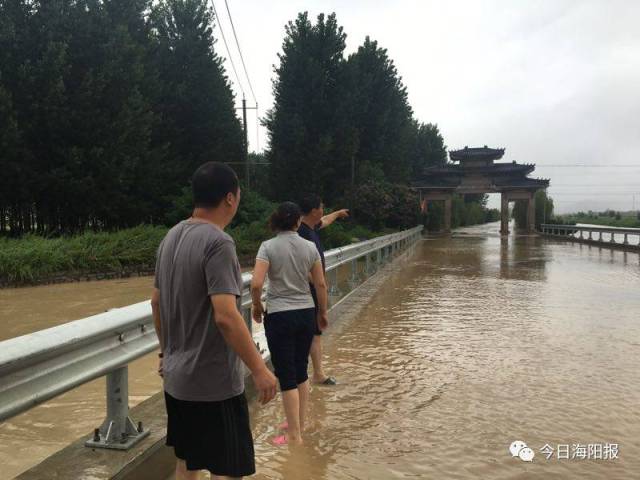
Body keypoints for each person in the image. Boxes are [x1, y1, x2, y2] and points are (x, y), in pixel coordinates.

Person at [151, 162, 277, 480]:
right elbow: (226, 316)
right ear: (230, 199)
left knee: (187, 464)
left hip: (176, 380)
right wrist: (260, 370)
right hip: (213, 385)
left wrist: (166, 352)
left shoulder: (170, 237)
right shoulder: (219, 243)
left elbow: (156, 302)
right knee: (229, 469)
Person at [250, 202, 329, 445]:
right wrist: (322, 312)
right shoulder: (309, 246)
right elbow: (320, 284)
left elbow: (255, 284)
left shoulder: (268, 247)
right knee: (300, 369)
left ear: (276, 221)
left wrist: (256, 305)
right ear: (297, 222)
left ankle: (294, 435)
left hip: (280, 315)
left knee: (286, 374)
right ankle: (299, 423)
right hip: (306, 312)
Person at [297, 195, 349, 385]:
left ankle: (314, 373)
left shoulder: (308, 228)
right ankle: (316, 374)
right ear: (313, 211)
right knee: (314, 333)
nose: (323, 211)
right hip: (308, 291)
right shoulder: (302, 234)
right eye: (322, 207)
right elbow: (298, 265)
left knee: (313, 334)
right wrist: (317, 282)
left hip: (308, 290)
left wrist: (338, 214)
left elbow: (326, 221)